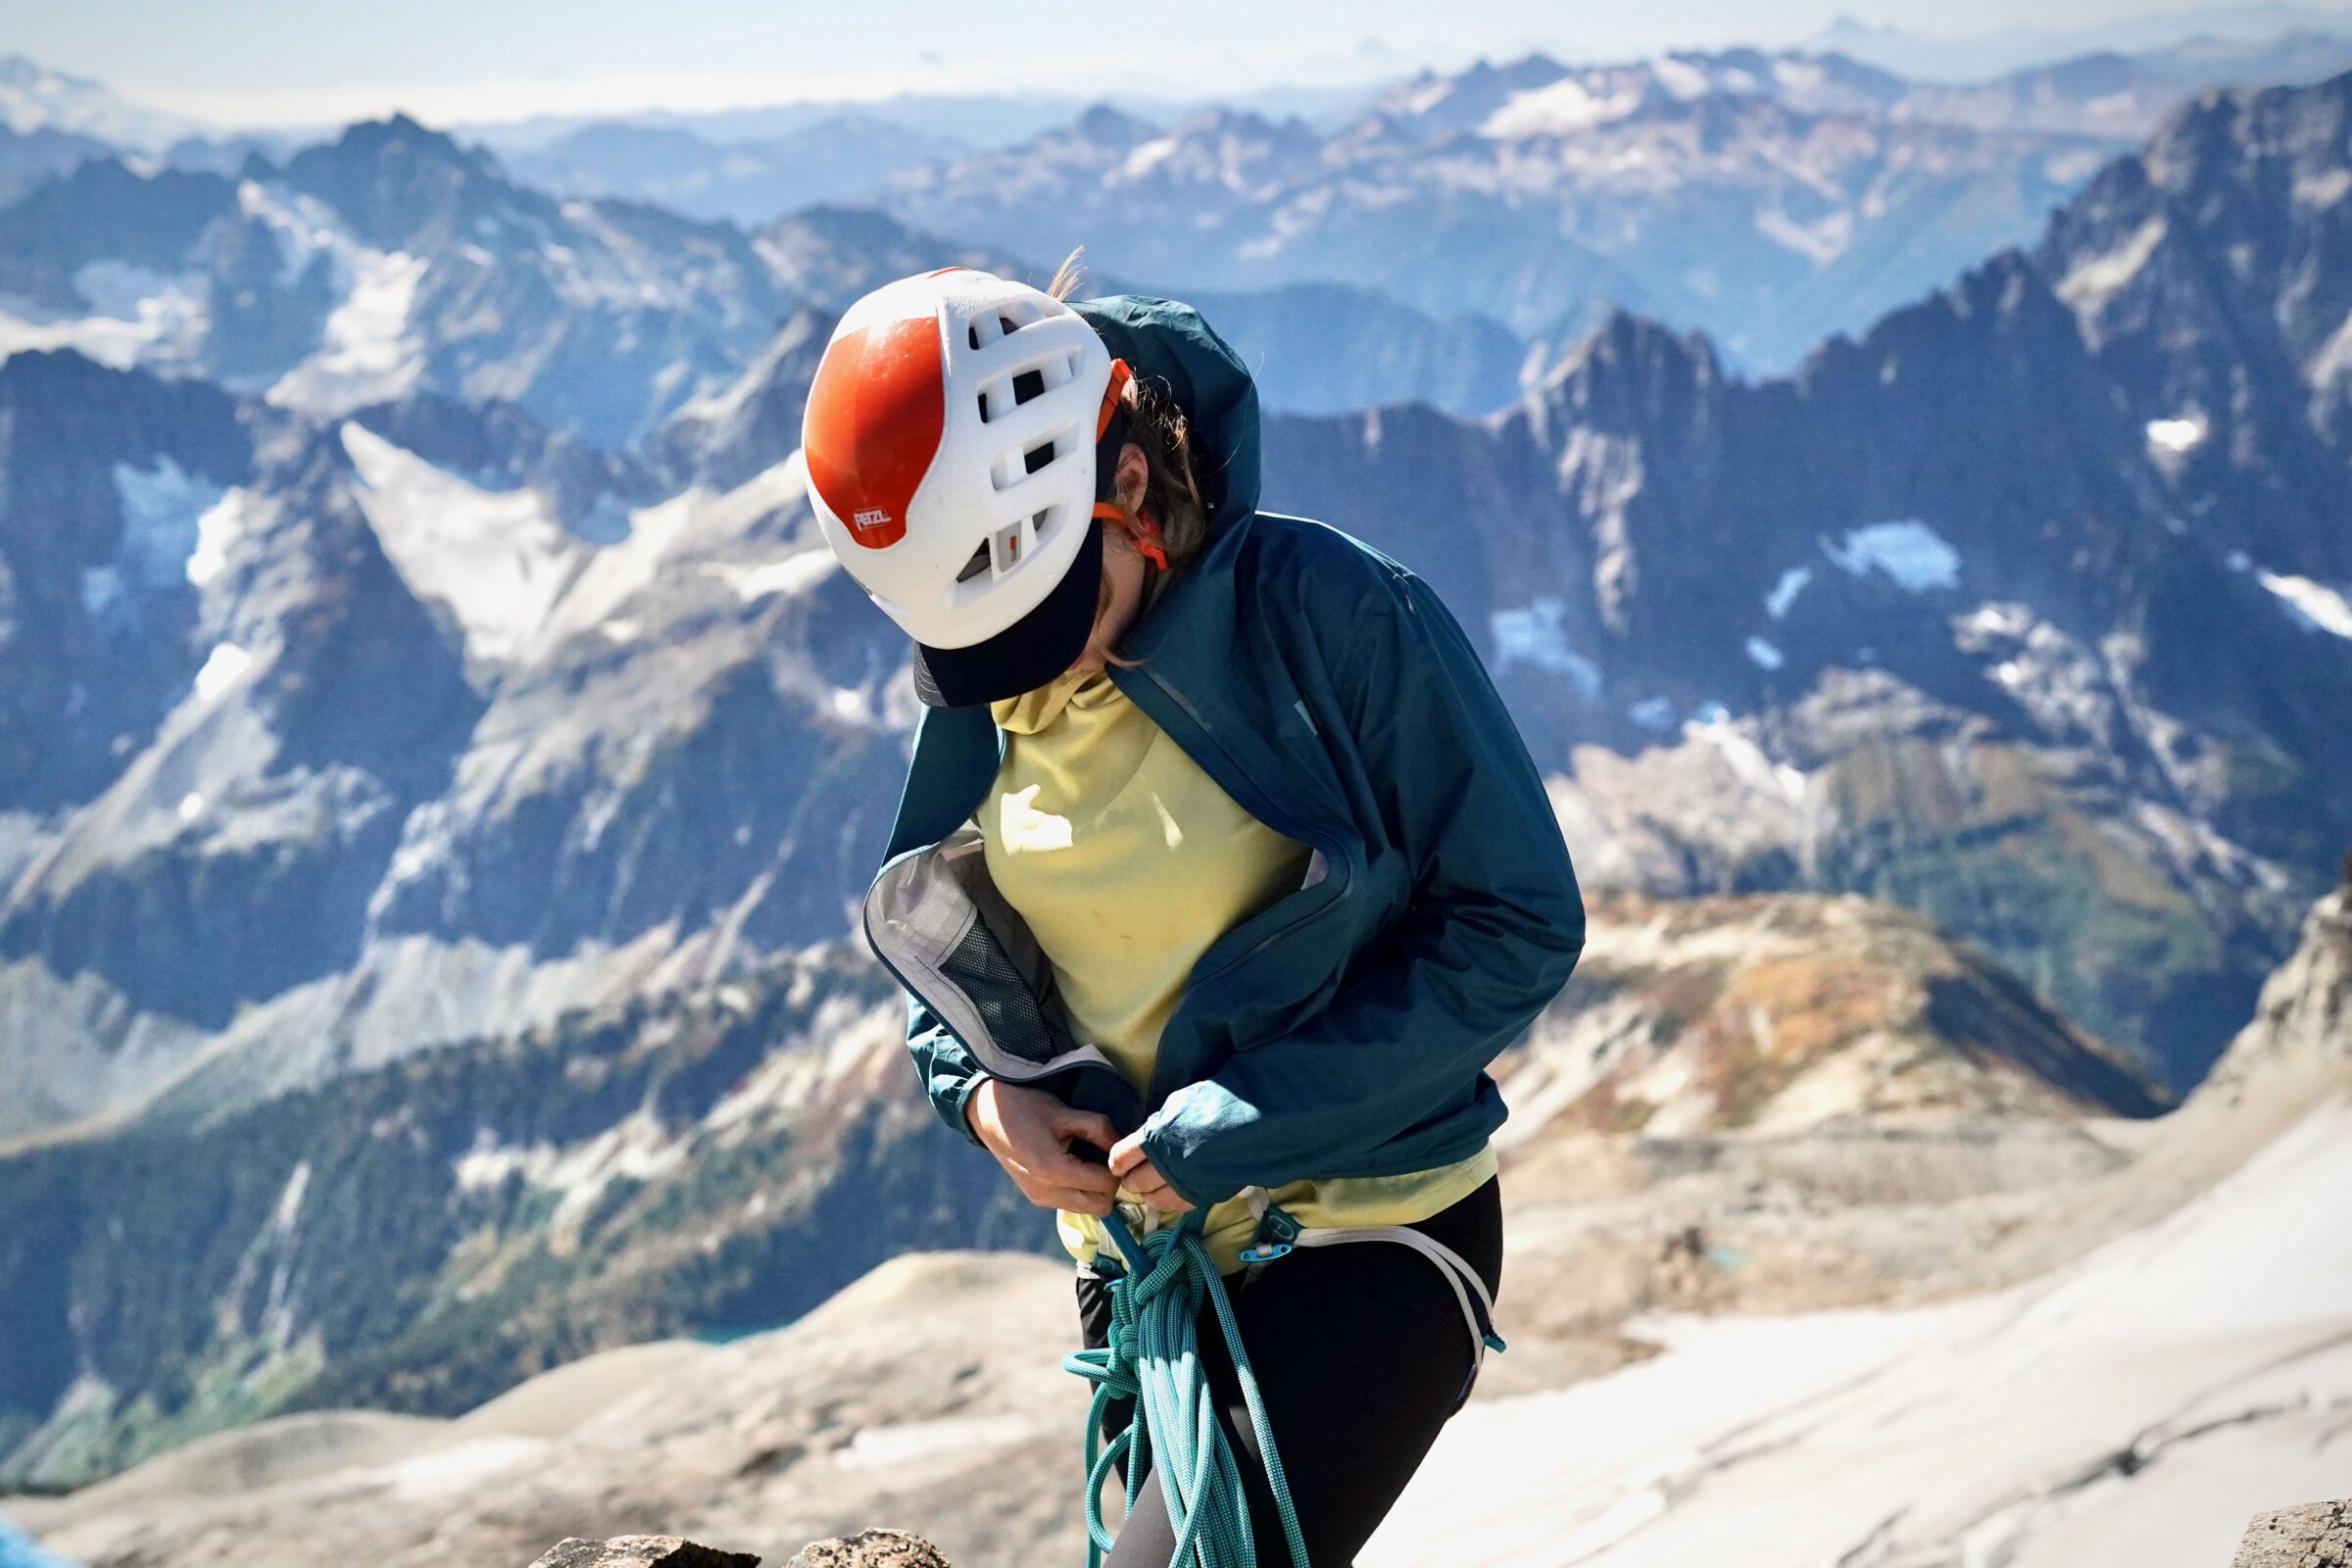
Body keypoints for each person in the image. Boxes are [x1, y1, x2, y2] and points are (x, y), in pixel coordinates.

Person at [802, 260, 1584, 1566]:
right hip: (1146, 1271)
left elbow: (1517, 920)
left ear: (1126, 487)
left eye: (1058, 615)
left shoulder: (1328, 615)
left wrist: (1250, 1117)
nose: (1035, 669)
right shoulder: (1003, 652)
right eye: (989, 650)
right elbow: (950, 944)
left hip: (1365, 1230)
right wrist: (985, 1099)